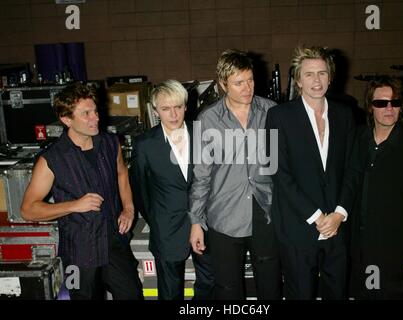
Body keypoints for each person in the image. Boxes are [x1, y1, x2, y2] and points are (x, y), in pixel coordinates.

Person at [21, 82, 143, 300]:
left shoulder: (110, 143)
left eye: (95, 111)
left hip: (113, 243)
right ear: (67, 119)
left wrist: (129, 208)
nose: (95, 118)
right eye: (86, 114)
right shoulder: (51, 159)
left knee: (133, 295)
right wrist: (74, 205)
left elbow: (122, 174)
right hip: (77, 252)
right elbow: (28, 210)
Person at [189, 49, 283, 300]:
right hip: (224, 214)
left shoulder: (271, 111)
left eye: (250, 80)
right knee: (228, 288)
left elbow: (282, 166)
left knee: (270, 284)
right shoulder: (208, 119)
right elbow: (201, 175)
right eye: (238, 82)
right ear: (222, 84)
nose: (247, 88)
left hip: (266, 210)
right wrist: (196, 221)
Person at [265, 45, 356, 300]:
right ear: (298, 80)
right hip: (298, 228)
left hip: (337, 228)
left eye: (322, 73)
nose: (317, 80)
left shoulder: (346, 115)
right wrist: (316, 217)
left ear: (330, 76)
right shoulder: (277, 116)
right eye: (309, 74)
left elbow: (352, 169)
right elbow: (277, 172)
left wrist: (339, 214)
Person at [349, 76, 403, 299]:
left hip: (391, 250)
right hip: (358, 247)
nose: (389, 108)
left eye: (395, 103)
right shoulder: (357, 139)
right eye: (381, 103)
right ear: (370, 107)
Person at [129, 79, 215, 300]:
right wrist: (157, 219)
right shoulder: (145, 144)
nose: (173, 114)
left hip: (206, 222)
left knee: (211, 281)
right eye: (166, 108)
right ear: (156, 110)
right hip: (167, 226)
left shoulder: (204, 136)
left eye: (178, 107)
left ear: (186, 106)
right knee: (169, 291)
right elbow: (140, 190)